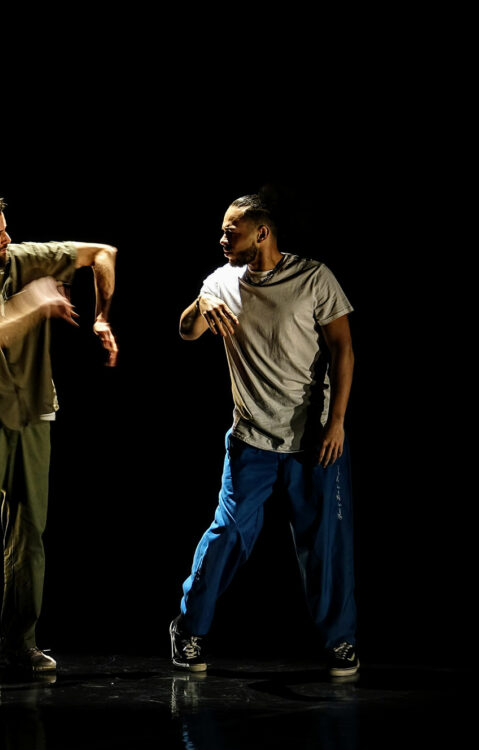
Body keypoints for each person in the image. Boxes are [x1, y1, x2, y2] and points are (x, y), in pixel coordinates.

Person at [0, 189, 118, 686]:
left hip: (35, 409)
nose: (7, 238)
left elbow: (102, 254)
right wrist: (35, 299)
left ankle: (19, 643)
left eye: (6, 228)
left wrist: (101, 315)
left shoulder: (21, 257)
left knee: (30, 532)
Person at [170, 192, 359, 678]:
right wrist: (201, 303)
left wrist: (336, 420)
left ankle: (340, 640)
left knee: (325, 544)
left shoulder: (313, 278)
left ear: (262, 233)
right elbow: (187, 331)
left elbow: (342, 349)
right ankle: (188, 630)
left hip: (314, 438)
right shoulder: (221, 281)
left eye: (231, 230)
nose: (222, 238)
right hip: (251, 437)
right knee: (229, 533)